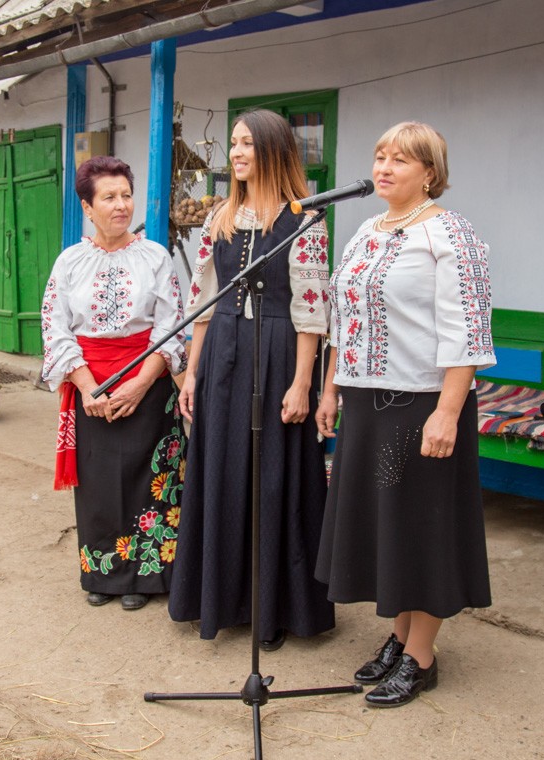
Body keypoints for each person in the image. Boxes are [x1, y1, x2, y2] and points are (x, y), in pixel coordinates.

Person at [315, 121, 495, 706]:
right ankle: (399, 637)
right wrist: (330, 389)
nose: (385, 167)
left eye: (402, 159)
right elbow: (342, 320)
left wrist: (448, 410)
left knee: (419, 527)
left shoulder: (450, 233)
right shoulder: (367, 229)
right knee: (385, 527)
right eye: (380, 156)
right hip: (365, 404)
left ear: (430, 173)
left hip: (420, 404)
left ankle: (422, 655)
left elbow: (469, 331)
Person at [169, 109, 335, 647]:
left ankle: (274, 608)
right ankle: (221, 597)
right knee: (221, 468)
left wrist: (302, 382)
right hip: (221, 351)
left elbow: (312, 308)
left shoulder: (303, 218)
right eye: (234, 144)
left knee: (271, 475)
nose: (237, 153)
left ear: (272, 150)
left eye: (247, 144)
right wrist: (190, 373)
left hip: (278, 352)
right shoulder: (220, 215)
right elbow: (202, 301)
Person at [41, 155, 186, 612]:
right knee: (100, 482)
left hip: (149, 385)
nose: (121, 205)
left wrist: (140, 384)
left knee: (149, 479)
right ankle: (102, 574)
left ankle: (143, 578)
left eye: (126, 195)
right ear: (87, 205)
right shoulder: (70, 263)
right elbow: (56, 328)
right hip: (92, 387)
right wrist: (87, 387)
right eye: (109, 197)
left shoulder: (154, 257)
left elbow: (171, 326)